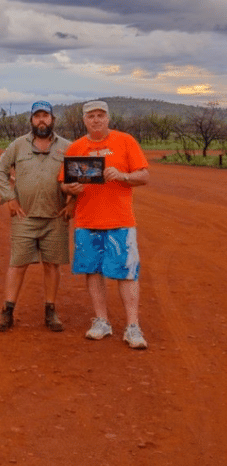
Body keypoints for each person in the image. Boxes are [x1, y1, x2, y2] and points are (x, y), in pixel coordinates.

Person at [60, 100, 150, 349]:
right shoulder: (77, 147)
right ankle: (101, 321)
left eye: (101, 115)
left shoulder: (125, 141)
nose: (96, 120)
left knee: (127, 272)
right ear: (84, 120)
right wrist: (70, 187)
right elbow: (64, 183)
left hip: (120, 221)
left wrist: (123, 176)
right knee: (93, 271)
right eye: (91, 116)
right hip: (87, 221)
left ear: (108, 118)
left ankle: (133, 326)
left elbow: (144, 175)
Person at [0, 100, 73, 332]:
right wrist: (10, 198)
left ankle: (50, 310)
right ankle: (7, 311)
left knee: (52, 265)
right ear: (31, 120)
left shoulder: (68, 147)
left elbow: (80, 177)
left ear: (53, 119)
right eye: (37, 116)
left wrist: (73, 203)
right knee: (17, 264)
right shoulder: (18, 145)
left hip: (55, 217)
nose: (41, 120)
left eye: (45, 116)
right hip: (24, 217)